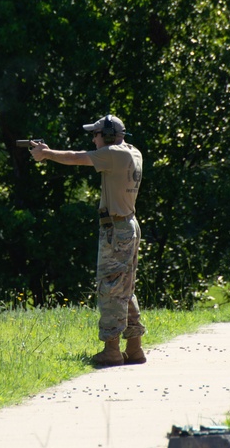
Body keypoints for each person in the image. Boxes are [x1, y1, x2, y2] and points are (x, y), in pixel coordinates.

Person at [31, 114, 146, 367]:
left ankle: (112, 350)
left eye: (95, 134)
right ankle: (134, 348)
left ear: (106, 135)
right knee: (125, 288)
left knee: (111, 287)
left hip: (116, 228)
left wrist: (46, 153)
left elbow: (75, 157)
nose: (93, 139)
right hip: (128, 224)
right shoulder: (132, 152)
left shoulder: (113, 153)